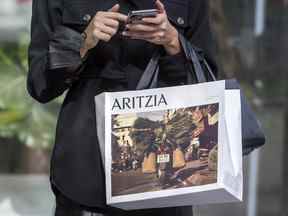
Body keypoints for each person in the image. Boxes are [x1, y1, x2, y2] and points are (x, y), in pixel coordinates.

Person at [27, 0, 217, 215]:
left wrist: (173, 41)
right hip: (87, 175)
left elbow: (207, 81)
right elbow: (39, 84)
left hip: (167, 183)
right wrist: (82, 42)